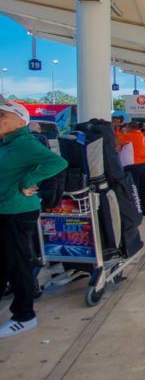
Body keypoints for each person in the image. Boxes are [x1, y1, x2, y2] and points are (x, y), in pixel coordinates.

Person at [0, 102, 67, 338]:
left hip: (16, 212)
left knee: (18, 263)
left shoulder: (25, 143)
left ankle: (24, 316)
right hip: (5, 210)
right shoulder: (8, 143)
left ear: (20, 122)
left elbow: (58, 162)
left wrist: (28, 179)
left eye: (2, 115)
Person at [120, 121, 145, 216]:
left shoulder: (128, 136)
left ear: (129, 128)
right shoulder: (142, 136)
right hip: (144, 165)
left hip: (132, 166)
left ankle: (136, 211)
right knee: (143, 190)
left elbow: (116, 143)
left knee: (134, 190)